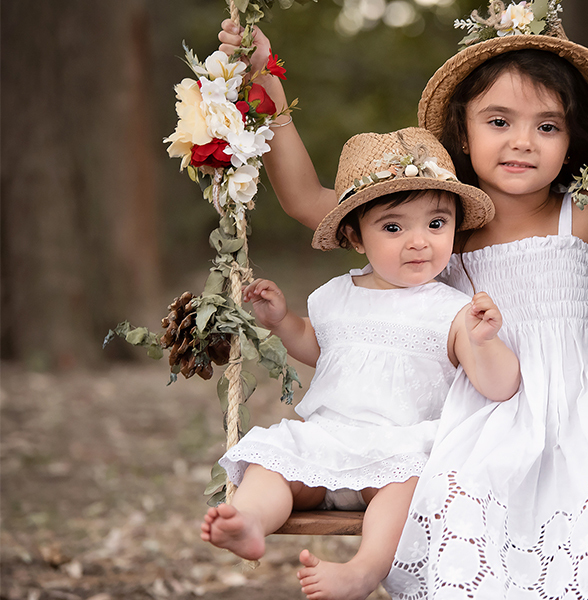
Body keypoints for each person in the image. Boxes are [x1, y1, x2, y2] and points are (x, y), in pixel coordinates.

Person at [219, 1, 588, 596]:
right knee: (466, 525)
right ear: (462, 131)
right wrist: (265, 77)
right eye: (499, 122)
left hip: (584, 411)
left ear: (570, 139)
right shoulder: (439, 229)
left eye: (546, 127)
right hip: (476, 414)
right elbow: (305, 199)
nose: (522, 142)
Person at [200, 127, 521, 600]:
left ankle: (364, 570)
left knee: (408, 487)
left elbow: (500, 386)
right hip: (327, 440)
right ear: (354, 236)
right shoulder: (334, 296)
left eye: (436, 224)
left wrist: (487, 340)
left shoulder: (453, 309)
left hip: (399, 449)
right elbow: (320, 348)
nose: (419, 242)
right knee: (271, 463)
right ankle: (248, 522)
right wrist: (283, 321)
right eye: (394, 227)